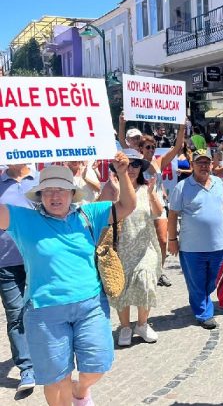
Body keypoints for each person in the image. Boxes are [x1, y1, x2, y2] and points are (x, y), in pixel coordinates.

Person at [0, 156, 136, 406]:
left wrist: (123, 173)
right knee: (56, 379)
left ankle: (81, 390)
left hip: (90, 306)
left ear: (72, 193)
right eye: (47, 190)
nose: (54, 196)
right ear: (39, 195)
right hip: (44, 311)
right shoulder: (22, 219)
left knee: (96, 367)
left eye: (60, 190)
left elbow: (127, 205)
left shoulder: (89, 213)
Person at [168, 149, 223, 329]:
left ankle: (203, 301)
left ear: (212, 164)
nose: (204, 166)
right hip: (192, 248)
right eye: (199, 163)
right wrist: (172, 240)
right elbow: (173, 215)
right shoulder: (182, 187)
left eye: (207, 162)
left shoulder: (219, 183)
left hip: (218, 245)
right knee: (196, 282)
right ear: (192, 165)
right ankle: (203, 313)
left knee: (217, 279)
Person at [106, 149, 163, 347]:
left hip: (145, 246)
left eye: (136, 165)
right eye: (127, 164)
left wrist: (151, 194)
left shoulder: (146, 189)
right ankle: (125, 327)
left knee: (145, 282)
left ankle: (142, 323)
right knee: (122, 288)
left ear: (141, 168)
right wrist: (112, 193)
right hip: (121, 247)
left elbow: (158, 213)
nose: (131, 169)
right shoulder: (113, 188)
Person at [0, 163, 38, 392]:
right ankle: (27, 368)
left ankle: (49, 358)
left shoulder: (40, 181)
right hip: (5, 262)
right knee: (15, 315)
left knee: (41, 309)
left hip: (37, 259)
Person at [138, 125, 186, 288]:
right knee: (143, 241)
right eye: (148, 147)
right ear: (141, 149)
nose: (151, 150)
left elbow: (177, 148)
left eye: (153, 147)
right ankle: (143, 271)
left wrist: (181, 129)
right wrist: (122, 125)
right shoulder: (135, 164)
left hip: (158, 205)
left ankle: (159, 271)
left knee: (162, 240)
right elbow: (123, 143)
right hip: (142, 206)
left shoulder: (159, 162)